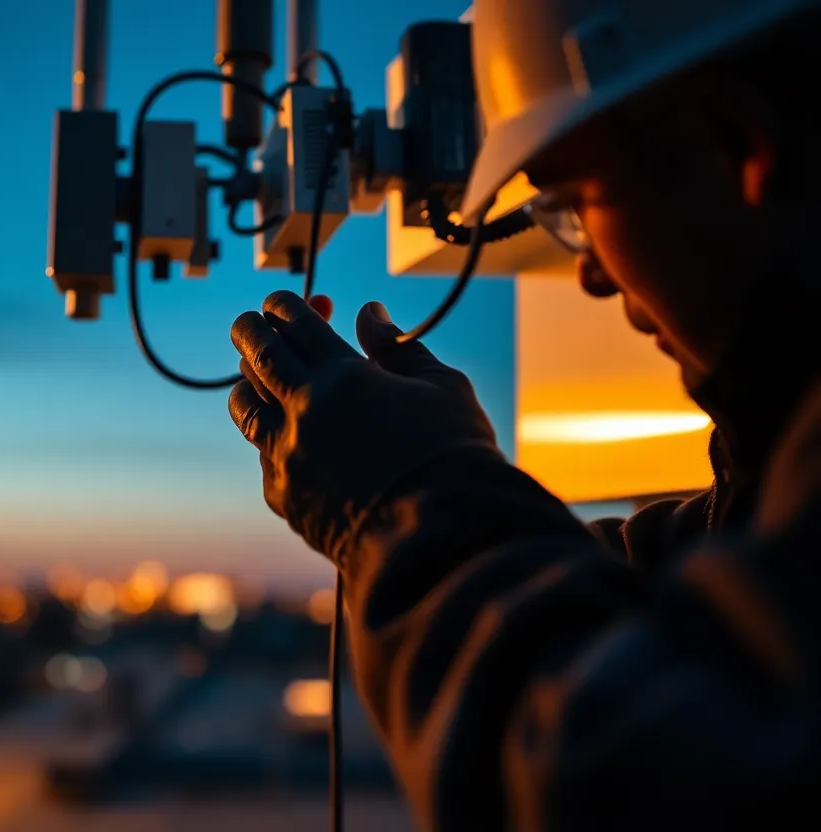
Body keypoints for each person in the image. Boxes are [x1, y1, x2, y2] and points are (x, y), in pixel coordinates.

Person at [226, 0, 821, 828]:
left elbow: (618, 779)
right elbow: (715, 585)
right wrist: (445, 483)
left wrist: (404, 499)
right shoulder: (785, 447)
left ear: (736, 142)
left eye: (576, 203)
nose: (591, 278)